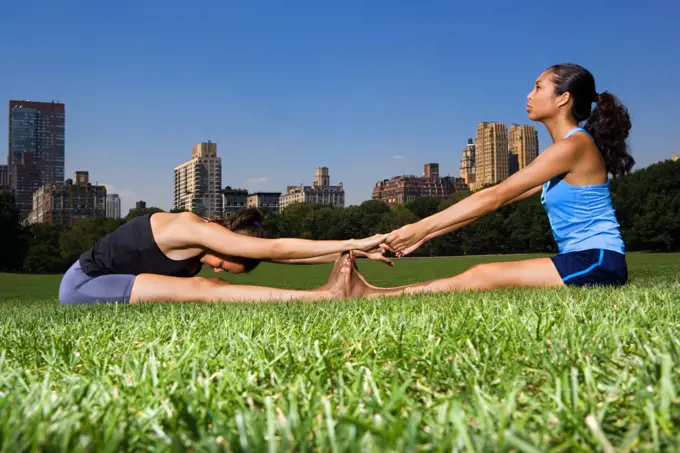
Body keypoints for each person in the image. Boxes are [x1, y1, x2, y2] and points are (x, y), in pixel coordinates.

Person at [367, 63, 634, 297]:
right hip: (585, 259)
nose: (529, 95)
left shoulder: (572, 146)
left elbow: (495, 196)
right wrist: (426, 236)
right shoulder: (564, 151)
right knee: (482, 274)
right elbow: (493, 203)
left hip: (598, 261)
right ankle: (376, 294)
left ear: (563, 98)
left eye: (538, 88)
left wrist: (420, 227)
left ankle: (374, 296)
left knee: (483, 274)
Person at [58, 208, 389, 305]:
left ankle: (325, 294)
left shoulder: (209, 245)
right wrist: (357, 241)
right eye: (222, 261)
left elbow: (282, 258)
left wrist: (346, 253)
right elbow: (275, 248)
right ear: (229, 243)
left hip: (113, 282)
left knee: (209, 284)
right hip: (84, 284)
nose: (217, 265)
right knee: (205, 287)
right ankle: (322, 298)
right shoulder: (191, 228)